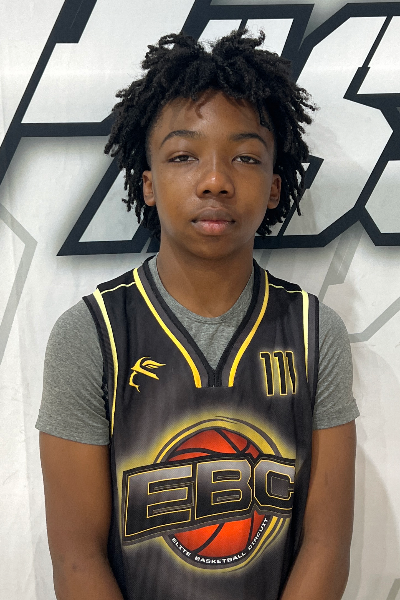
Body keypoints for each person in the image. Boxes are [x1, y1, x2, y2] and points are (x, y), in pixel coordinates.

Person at [37, 30, 359, 600]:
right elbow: (76, 555)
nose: (215, 180)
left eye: (245, 157)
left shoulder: (315, 333)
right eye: (184, 156)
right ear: (148, 183)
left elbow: (327, 545)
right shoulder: (91, 334)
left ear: (275, 186)